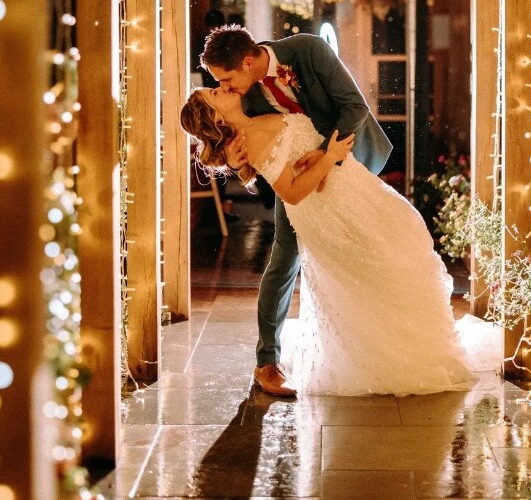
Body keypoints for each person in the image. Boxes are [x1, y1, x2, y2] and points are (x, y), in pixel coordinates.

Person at [181, 85, 478, 397]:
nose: (222, 87)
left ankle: (413, 345)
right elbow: (292, 193)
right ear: (216, 117)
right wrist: (330, 156)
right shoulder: (249, 139)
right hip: (325, 203)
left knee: (399, 247)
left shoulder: (255, 112)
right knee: (382, 264)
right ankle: (394, 355)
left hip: (350, 185)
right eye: (213, 94)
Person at [196, 25, 393, 396]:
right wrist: (237, 162)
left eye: (226, 78)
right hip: (296, 179)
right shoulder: (243, 97)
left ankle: (375, 347)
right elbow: (242, 143)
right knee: (285, 259)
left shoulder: (309, 50)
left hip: (346, 160)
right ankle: (266, 362)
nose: (224, 86)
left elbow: (355, 106)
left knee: (365, 251)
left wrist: (326, 156)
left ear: (248, 61)